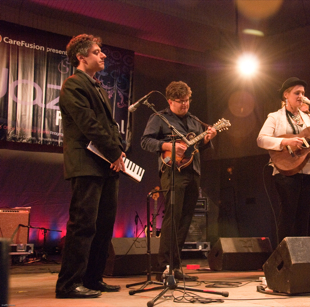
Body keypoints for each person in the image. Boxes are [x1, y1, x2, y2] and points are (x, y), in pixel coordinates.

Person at [56, 34, 125, 298]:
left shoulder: (96, 86)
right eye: (97, 52)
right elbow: (89, 125)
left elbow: (107, 126)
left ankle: (93, 278)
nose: (103, 55)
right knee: (83, 225)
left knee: (104, 225)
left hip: (105, 165)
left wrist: (120, 149)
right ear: (81, 57)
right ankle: (68, 284)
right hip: (86, 164)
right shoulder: (73, 86)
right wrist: (115, 151)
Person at [141, 81, 217, 281]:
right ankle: (162, 268)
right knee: (172, 218)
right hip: (172, 172)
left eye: (187, 101)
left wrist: (207, 139)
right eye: (180, 101)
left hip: (193, 172)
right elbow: (145, 141)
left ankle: (175, 267)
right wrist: (168, 145)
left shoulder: (194, 121)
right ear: (170, 101)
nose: (185, 105)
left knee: (185, 221)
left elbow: (199, 146)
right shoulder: (159, 118)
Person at [257, 77, 310, 243]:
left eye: (303, 93)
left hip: (308, 172)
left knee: (304, 216)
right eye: (297, 93)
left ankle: (301, 258)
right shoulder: (275, 117)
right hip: (286, 171)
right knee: (288, 214)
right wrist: (285, 141)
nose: (301, 96)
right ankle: (284, 256)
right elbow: (261, 140)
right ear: (286, 95)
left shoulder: (309, 118)